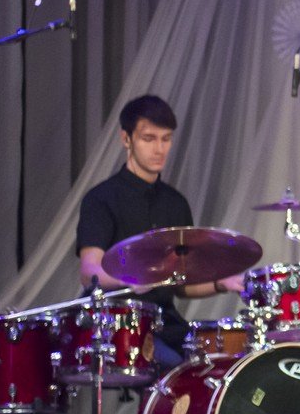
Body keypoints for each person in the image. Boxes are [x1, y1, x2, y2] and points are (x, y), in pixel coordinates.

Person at [74, 95, 243, 370]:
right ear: (126, 139)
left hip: (166, 323)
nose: (159, 148)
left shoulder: (176, 204)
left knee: (215, 367)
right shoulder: (101, 199)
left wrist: (220, 284)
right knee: (177, 369)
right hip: (120, 326)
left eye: (166, 139)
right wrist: (131, 278)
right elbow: (89, 271)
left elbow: (182, 285)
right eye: (149, 139)